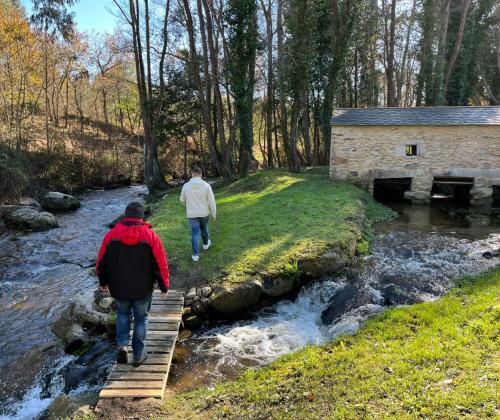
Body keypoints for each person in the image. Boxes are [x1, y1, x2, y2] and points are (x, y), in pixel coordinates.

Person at [96, 202, 169, 366]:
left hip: (119, 287)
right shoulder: (150, 236)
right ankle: (138, 354)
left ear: (126, 216)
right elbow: (160, 263)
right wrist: (164, 286)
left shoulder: (111, 235)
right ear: (142, 217)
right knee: (141, 319)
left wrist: (103, 282)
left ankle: (122, 345)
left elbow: (101, 262)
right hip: (143, 288)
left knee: (123, 314)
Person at [180, 166, 216, 262]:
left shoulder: (186, 186)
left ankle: (195, 255)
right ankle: (205, 244)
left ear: (192, 174)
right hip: (204, 213)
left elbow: (182, 200)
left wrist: (189, 202)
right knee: (204, 228)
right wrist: (213, 214)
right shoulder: (206, 186)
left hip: (192, 214)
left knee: (195, 233)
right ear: (201, 174)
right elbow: (212, 202)